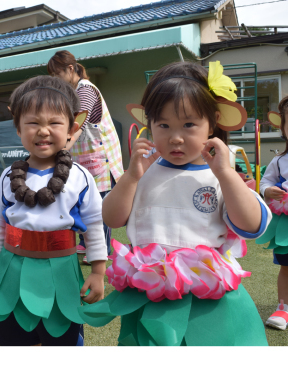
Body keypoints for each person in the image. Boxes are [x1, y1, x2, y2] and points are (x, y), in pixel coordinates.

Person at [79, 61, 271, 346]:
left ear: (213, 121)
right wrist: (131, 177)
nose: (176, 137)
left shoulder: (219, 175)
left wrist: (226, 174)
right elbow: (112, 218)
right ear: (150, 123)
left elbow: (252, 224)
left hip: (208, 296)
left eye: (189, 124)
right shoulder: (142, 172)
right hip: (150, 293)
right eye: (163, 125)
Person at [0, 75, 107, 346]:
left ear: (71, 128)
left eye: (54, 123)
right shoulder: (9, 175)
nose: (43, 130)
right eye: (33, 123)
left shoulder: (80, 176)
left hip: (62, 269)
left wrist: (98, 272)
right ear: (19, 130)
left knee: (61, 337)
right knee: (13, 337)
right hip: (12, 267)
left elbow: (93, 226)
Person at [48, 50, 123, 260]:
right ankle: (84, 242)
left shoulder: (87, 90)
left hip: (100, 156)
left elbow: (80, 122)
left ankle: (101, 249)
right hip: (85, 156)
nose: (56, 79)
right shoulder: (73, 92)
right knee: (82, 199)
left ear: (70, 69)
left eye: (57, 74)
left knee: (99, 205)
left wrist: (63, 145)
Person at [257, 96, 288, 330]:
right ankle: (283, 308)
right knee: (286, 267)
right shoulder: (279, 160)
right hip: (286, 225)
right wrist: (269, 189)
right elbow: (264, 181)